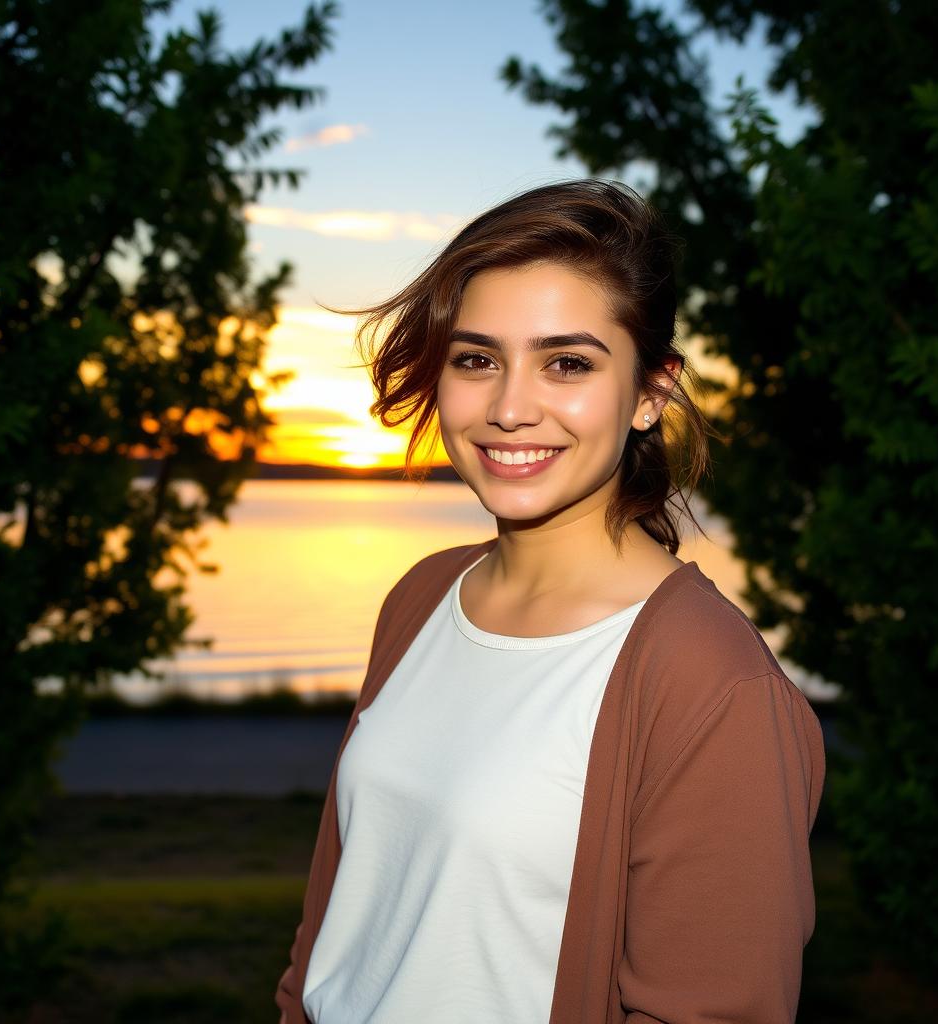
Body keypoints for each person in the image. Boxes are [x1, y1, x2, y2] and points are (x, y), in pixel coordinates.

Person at [275, 178, 826, 1024]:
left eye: (566, 362)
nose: (508, 408)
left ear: (650, 393)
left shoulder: (711, 686)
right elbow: (343, 916)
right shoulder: (424, 596)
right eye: (477, 359)